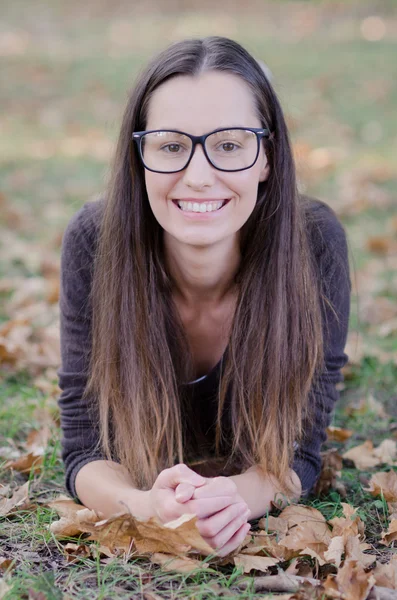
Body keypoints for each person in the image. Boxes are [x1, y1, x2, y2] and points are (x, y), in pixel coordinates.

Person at [57, 36, 351, 558]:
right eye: (171, 145)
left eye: (230, 145)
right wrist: (142, 506)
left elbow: (299, 452)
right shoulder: (94, 242)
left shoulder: (314, 244)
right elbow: (85, 444)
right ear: (139, 157)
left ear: (267, 157)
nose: (197, 175)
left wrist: (232, 499)